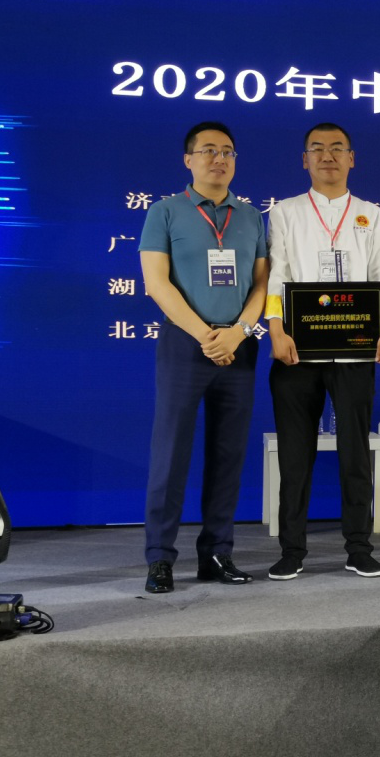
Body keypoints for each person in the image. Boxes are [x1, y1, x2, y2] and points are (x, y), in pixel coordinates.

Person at [263, 123, 380, 579]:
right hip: (297, 350)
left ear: (352, 158)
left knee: (355, 453)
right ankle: (292, 550)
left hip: (356, 351)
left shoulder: (372, 215)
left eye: (337, 148)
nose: (328, 156)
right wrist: (276, 329)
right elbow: (278, 274)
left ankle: (359, 547)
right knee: (295, 454)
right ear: (304, 159)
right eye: (318, 149)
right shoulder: (284, 212)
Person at [138, 122, 267, 594]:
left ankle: (217, 553)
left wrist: (237, 333)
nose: (219, 159)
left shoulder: (250, 216)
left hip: (239, 347)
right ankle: (160, 558)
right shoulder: (165, 211)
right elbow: (156, 282)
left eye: (228, 151)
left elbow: (262, 285)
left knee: (228, 454)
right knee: (170, 454)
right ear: (188, 160)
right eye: (209, 150)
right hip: (185, 344)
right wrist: (206, 336)